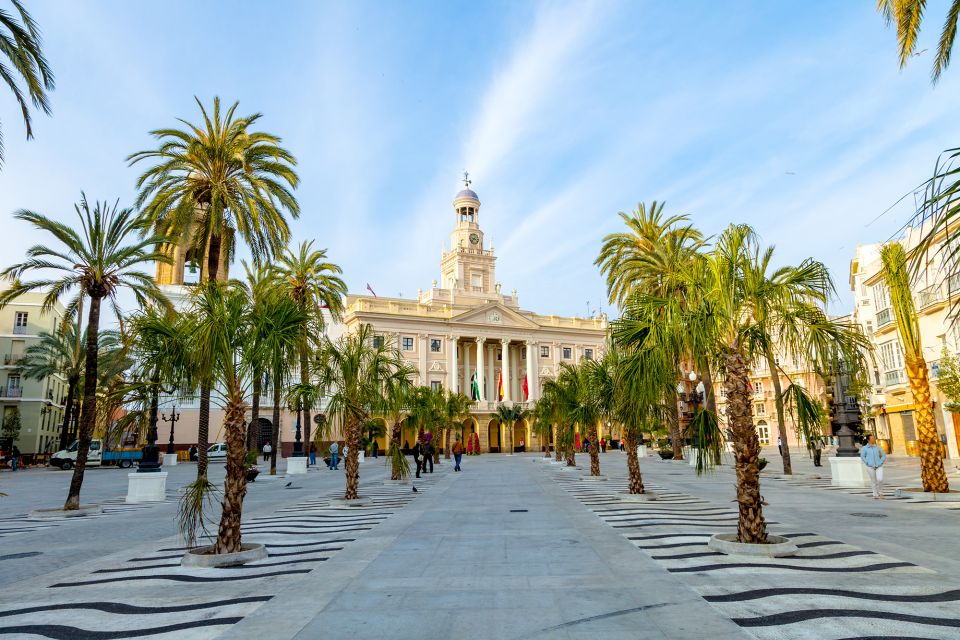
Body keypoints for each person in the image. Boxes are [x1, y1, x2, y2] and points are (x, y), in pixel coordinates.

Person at [860, 434, 887, 499]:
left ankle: (880, 493)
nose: (874, 439)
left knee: (880, 479)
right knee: (873, 481)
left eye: (874, 438)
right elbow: (862, 456)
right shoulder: (864, 448)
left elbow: (883, 455)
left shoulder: (878, 447)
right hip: (870, 467)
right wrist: (867, 463)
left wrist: (880, 462)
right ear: (868, 440)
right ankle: (875, 494)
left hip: (879, 466)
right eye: (872, 438)